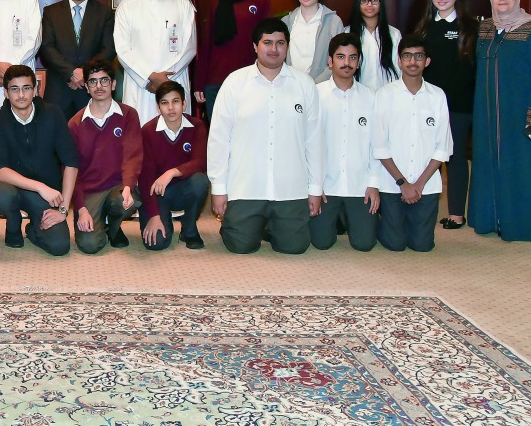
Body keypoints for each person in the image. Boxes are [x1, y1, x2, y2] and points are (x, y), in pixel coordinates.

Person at [207, 18, 322, 255]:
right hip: (246, 186)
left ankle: (271, 225)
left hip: (290, 188)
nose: (274, 49)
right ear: (254, 46)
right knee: (241, 246)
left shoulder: (304, 84)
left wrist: (315, 188)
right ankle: (248, 224)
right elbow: (219, 138)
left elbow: (315, 140)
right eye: (267, 42)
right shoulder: (235, 83)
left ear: (287, 47)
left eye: (280, 43)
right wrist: (218, 188)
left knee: (295, 247)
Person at [469, 0, 531, 242]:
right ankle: (490, 220)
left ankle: (521, 226)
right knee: (489, 164)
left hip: (519, 114)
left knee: (521, 168)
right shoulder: (485, 29)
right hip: (488, 115)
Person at [373, 35, 453, 252]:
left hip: (425, 187)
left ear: (427, 61)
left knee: (422, 246)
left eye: (418, 56)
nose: (412, 62)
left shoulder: (437, 96)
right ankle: (384, 224)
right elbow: (379, 146)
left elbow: (442, 148)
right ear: (399, 61)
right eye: (407, 56)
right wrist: (403, 183)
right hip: (392, 185)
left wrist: (417, 185)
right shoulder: (385, 95)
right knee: (395, 245)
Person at [0, 64, 79, 256]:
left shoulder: (53, 114)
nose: (21, 95)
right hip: (14, 188)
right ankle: (13, 224)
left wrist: (63, 211)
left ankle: (33, 229)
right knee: (2, 194)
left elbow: (71, 162)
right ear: (6, 93)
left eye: (26, 88)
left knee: (60, 246)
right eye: (14, 89)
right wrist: (39, 187)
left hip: (47, 195)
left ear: (36, 89)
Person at [416, 0, 477, 230]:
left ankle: (456, 214)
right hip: (428, 105)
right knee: (427, 156)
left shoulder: (470, 27)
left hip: (459, 105)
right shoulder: (424, 27)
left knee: (455, 158)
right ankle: (420, 206)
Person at [310, 33, 380, 252]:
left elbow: (377, 145)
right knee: (321, 243)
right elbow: (306, 144)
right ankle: (336, 221)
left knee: (364, 244)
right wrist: (313, 186)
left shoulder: (371, 98)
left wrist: (374, 184)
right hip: (325, 186)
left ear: (358, 62)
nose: (346, 63)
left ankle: (352, 220)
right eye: (340, 57)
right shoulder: (315, 95)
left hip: (359, 187)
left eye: (352, 58)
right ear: (330, 61)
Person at [67, 57, 142, 253]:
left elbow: (132, 156)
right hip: (90, 192)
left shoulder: (128, 115)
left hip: (117, 187)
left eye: (104, 80)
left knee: (126, 202)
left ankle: (114, 228)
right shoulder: (75, 124)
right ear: (87, 87)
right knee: (89, 245)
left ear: (113, 83)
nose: (99, 86)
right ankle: (102, 224)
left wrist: (127, 186)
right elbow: (71, 171)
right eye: (93, 81)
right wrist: (81, 207)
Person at [114, 0, 198, 125]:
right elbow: (122, 50)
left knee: (176, 138)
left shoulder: (183, 6)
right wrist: (149, 77)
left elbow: (190, 46)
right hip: (140, 86)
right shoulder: (126, 9)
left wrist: (164, 80)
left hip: (174, 81)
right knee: (140, 135)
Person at [194, 0, 270, 119]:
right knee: (219, 136)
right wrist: (200, 82)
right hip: (216, 80)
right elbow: (207, 43)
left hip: (249, 78)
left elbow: (266, 42)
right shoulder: (217, 0)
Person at [138, 81, 209, 251]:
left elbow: (201, 162)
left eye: (175, 101)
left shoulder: (197, 126)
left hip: (184, 188)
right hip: (157, 193)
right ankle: (163, 219)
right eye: (164, 103)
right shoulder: (148, 131)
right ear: (158, 107)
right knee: (156, 244)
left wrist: (172, 172)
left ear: (184, 104)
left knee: (200, 181)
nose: (170, 107)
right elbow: (145, 176)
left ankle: (189, 229)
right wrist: (154, 215)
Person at [40, 0, 116, 119]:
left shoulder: (105, 13)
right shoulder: (51, 12)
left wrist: (84, 73)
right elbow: (46, 48)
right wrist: (71, 72)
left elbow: (108, 49)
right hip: (58, 91)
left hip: (93, 90)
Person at [285, 0, 343, 83]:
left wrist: (314, 84)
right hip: (291, 84)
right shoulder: (287, 22)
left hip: (323, 85)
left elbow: (339, 57)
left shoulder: (333, 22)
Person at [346, 0, 400, 91]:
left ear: (381, 3)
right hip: (357, 96)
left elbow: (399, 69)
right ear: (358, 3)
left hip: (388, 96)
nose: (369, 4)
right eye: (364, 0)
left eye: (374, 0)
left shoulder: (394, 34)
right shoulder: (347, 33)